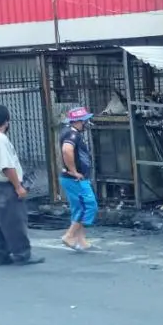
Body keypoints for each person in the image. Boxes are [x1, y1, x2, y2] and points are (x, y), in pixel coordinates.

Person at [0, 104, 44, 266]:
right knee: (14, 222)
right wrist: (18, 187)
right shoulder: (0, 140)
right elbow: (7, 167)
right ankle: (22, 254)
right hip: (5, 186)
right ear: (6, 121)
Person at [59, 107, 98, 251]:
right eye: (85, 120)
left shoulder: (68, 132)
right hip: (76, 179)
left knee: (79, 208)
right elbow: (66, 150)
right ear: (79, 121)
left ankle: (80, 240)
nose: (87, 123)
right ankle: (69, 235)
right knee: (89, 205)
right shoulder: (72, 134)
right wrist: (74, 171)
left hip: (71, 178)